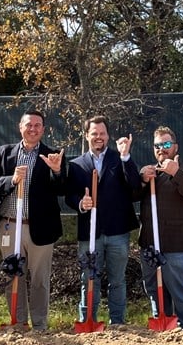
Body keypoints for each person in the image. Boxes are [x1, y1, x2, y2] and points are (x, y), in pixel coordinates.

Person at [0, 110, 66, 331]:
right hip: (10, 226)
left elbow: (61, 189)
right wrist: (11, 179)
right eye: (29, 125)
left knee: (39, 279)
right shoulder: (4, 153)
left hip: (40, 228)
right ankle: (18, 322)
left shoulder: (53, 155)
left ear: (43, 129)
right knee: (13, 275)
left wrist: (57, 171)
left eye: (37, 125)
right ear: (20, 127)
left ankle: (39, 324)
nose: (33, 129)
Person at [66, 115, 140, 325]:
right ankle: (88, 321)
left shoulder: (120, 159)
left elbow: (134, 185)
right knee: (89, 280)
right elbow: (70, 196)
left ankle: (117, 323)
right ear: (87, 135)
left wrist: (126, 158)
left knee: (117, 280)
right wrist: (81, 203)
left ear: (108, 136)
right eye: (94, 133)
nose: (99, 137)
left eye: (102, 133)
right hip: (89, 233)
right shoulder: (76, 164)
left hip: (118, 232)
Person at [137, 126, 183, 330]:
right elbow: (131, 195)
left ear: (175, 146)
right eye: (157, 145)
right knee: (154, 289)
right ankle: (163, 324)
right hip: (150, 243)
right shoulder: (150, 172)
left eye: (166, 144)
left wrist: (176, 174)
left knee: (180, 290)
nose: (161, 149)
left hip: (178, 244)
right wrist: (141, 180)